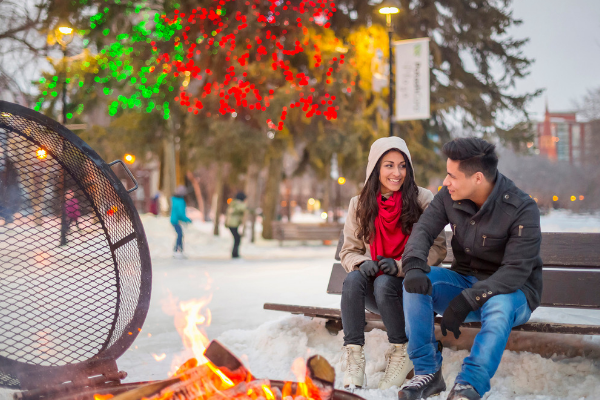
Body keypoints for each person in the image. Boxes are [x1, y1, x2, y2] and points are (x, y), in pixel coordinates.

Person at [398, 138, 542, 400]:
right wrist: (414, 265)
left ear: (477, 178)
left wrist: (469, 299)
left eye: (452, 175)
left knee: (499, 306)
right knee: (416, 283)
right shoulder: (448, 197)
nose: (445, 181)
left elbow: (515, 272)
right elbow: (423, 231)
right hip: (464, 283)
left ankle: (469, 385)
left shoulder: (521, 208)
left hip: (513, 294)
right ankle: (427, 372)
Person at [338, 137, 447, 390]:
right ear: (376, 168)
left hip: (410, 290)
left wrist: (400, 265)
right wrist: (361, 263)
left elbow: (437, 249)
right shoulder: (360, 204)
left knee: (386, 281)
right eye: (389, 165)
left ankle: (402, 350)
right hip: (376, 291)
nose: (396, 173)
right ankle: (354, 355)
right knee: (354, 279)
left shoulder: (422, 199)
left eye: (402, 165)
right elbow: (349, 251)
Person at [171, 185, 191, 258]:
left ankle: (179, 250)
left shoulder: (175, 199)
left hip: (174, 220)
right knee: (180, 235)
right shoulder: (180, 201)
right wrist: (187, 219)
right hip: (176, 220)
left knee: (180, 234)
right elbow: (181, 213)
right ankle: (177, 250)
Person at [225, 192, 247, 258]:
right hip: (233, 224)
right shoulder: (238, 204)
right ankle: (235, 254)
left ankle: (235, 253)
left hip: (232, 224)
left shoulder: (233, 203)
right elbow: (244, 208)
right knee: (237, 238)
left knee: (237, 238)